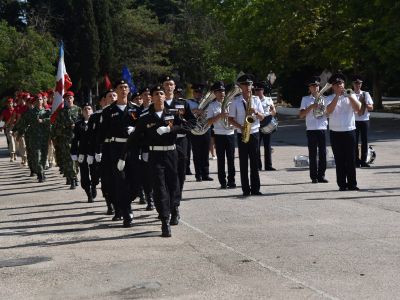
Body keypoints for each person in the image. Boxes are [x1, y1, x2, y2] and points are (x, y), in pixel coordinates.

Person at [123, 85, 182, 237]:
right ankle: (164, 220)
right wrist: (123, 156)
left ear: (164, 97)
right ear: (152, 98)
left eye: (161, 93)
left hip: (171, 153)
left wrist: (170, 129)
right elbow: (135, 138)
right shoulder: (145, 118)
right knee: (159, 187)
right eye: (156, 94)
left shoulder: (173, 113)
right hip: (155, 155)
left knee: (173, 184)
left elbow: (186, 127)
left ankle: (174, 209)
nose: (159, 96)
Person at [96, 80, 140, 227]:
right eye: (120, 87)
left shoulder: (135, 109)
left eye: (125, 87)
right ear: (115, 90)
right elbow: (101, 133)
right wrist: (101, 152)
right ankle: (127, 211)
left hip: (132, 149)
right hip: (115, 148)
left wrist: (135, 131)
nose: (123, 90)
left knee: (134, 180)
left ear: (129, 91)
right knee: (120, 181)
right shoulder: (108, 111)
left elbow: (142, 129)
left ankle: (125, 204)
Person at [162, 76, 196, 217]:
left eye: (171, 84)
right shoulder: (158, 103)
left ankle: (175, 205)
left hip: (181, 142)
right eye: (166, 84)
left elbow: (192, 121)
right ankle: (166, 203)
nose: (169, 87)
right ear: (163, 87)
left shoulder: (183, 104)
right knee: (165, 175)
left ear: (174, 87)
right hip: (164, 144)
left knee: (180, 174)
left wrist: (181, 128)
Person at [228, 74, 265, 196]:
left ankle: (256, 188)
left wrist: (256, 112)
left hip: (254, 133)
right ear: (241, 86)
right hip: (242, 133)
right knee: (243, 163)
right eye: (245, 84)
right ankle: (245, 189)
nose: (248, 87)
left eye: (249, 84)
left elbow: (262, 117)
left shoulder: (256, 99)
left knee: (254, 162)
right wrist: (241, 127)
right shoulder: (236, 101)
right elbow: (230, 119)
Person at [325, 73, 361, 191]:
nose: (339, 85)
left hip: (349, 131)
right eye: (336, 84)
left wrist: (349, 96)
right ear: (333, 87)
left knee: (351, 159)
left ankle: (352, 184)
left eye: (341, 83)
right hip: (335, 132)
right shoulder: (328, 98)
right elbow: (328, 111)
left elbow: (358, 109)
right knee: (339, 159)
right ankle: (342, 184)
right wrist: (336, 96)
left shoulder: (351, 95)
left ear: (344, 84)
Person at [87, 90, 117, 215]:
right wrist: (93, 152)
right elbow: (92, 136)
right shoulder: (96, 116)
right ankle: (109, 203)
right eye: (109, 96)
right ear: (105, 100)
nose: (112, 97)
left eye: (114, 95)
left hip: (119, 150)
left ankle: (119, 204)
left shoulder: (122, 111)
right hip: (103, 151)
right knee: (106, 180)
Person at [14, 94, 51, 182]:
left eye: (40, 99)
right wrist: (19, 134)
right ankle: (40, 173)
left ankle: (41, 171)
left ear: (43, 101)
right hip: (34, 138)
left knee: (43, 156)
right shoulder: (29, 113)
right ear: (34, 102)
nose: (39, 101)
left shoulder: (47, 111)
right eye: (37, 100)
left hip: (44, 137)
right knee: (37, 156)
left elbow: (52, 122)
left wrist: (44, 121)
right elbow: (23, 124)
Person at [206, 81, 236, 189]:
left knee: (231, 159)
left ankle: (231, 181)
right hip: (219, 134)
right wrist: (220, 115)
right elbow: (209, 122)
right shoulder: (212, 105)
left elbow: (236, 118)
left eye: (223, 91)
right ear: (215, 93)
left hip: (230, 133)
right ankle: (222, 182)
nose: (222, 93)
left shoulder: (232, 103)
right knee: (221, 159)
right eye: (219, 91)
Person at [299, 76, 329, 183]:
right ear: (309, 88)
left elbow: (329, 113)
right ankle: (314, 176)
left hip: (322, 128)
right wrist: (311, 106)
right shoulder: (305, 99)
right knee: (312, 154)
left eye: (316, 86)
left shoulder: (325, 99)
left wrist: (323, 108)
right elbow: (301, 115)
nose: (315, 88)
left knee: (323, 153)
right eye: (313, 86)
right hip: (311, 129)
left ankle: (321, 175)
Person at [54, 91, 82, 189]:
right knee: (68, 159)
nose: (69, 100)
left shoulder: (79, 110)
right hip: (65, 139)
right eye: (67, 98)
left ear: (73, 99)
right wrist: (66, 126)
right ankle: (72, 178)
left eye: (70, 98)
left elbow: (84, 122)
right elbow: (57, 126)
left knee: (76, 159)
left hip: (77, 138)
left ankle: (73, 175)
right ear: (65, 100)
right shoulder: (61, 112)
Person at [71, 103, 98, 202]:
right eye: (85, 109)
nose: (87, 110)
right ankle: (88, 193)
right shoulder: (78, 124)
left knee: (95, 172)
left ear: (92, 111)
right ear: (82, 112)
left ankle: (94, 185)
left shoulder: (96, 122)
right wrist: (73, 152)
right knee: (84, 173)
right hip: (82, 152)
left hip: (94, 152)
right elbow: (74, 139)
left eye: (89, 108)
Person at [187, 84, 213, 182]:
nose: (198, 94)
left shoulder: (208, 102)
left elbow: (211, 113)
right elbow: (186, 113)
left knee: (205, 152)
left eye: (200, 92)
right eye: (196, 92)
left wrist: (204, 112)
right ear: (193, 93)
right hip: (194, 130)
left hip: (206, 128)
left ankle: (206, 174)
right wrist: (195, 111)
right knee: (196, 153)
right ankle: (198, 175)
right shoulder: (189, 102)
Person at [352, 75, 374, 168]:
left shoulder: (365, 94)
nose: (358, 85)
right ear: (353, 84)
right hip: (354, 120)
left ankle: (364, 161)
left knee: (364, 141)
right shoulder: (350, 94)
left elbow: (371, 108)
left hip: (364, 120)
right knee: (354, 141)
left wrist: (364, 102)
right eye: (356, 83)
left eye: (360, 83)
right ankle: (356, 161)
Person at [254, 81, 277, 171]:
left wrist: (272, 111)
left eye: (259, 90)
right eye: (255, 90)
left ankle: (268, 166)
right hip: (257, 125)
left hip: (267, 124)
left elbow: (274, 112)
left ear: (263, 90)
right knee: (257, 147)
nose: (257, 92)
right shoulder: (253, 100)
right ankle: (258, 165)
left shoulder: (268, 99)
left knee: (267, 146)